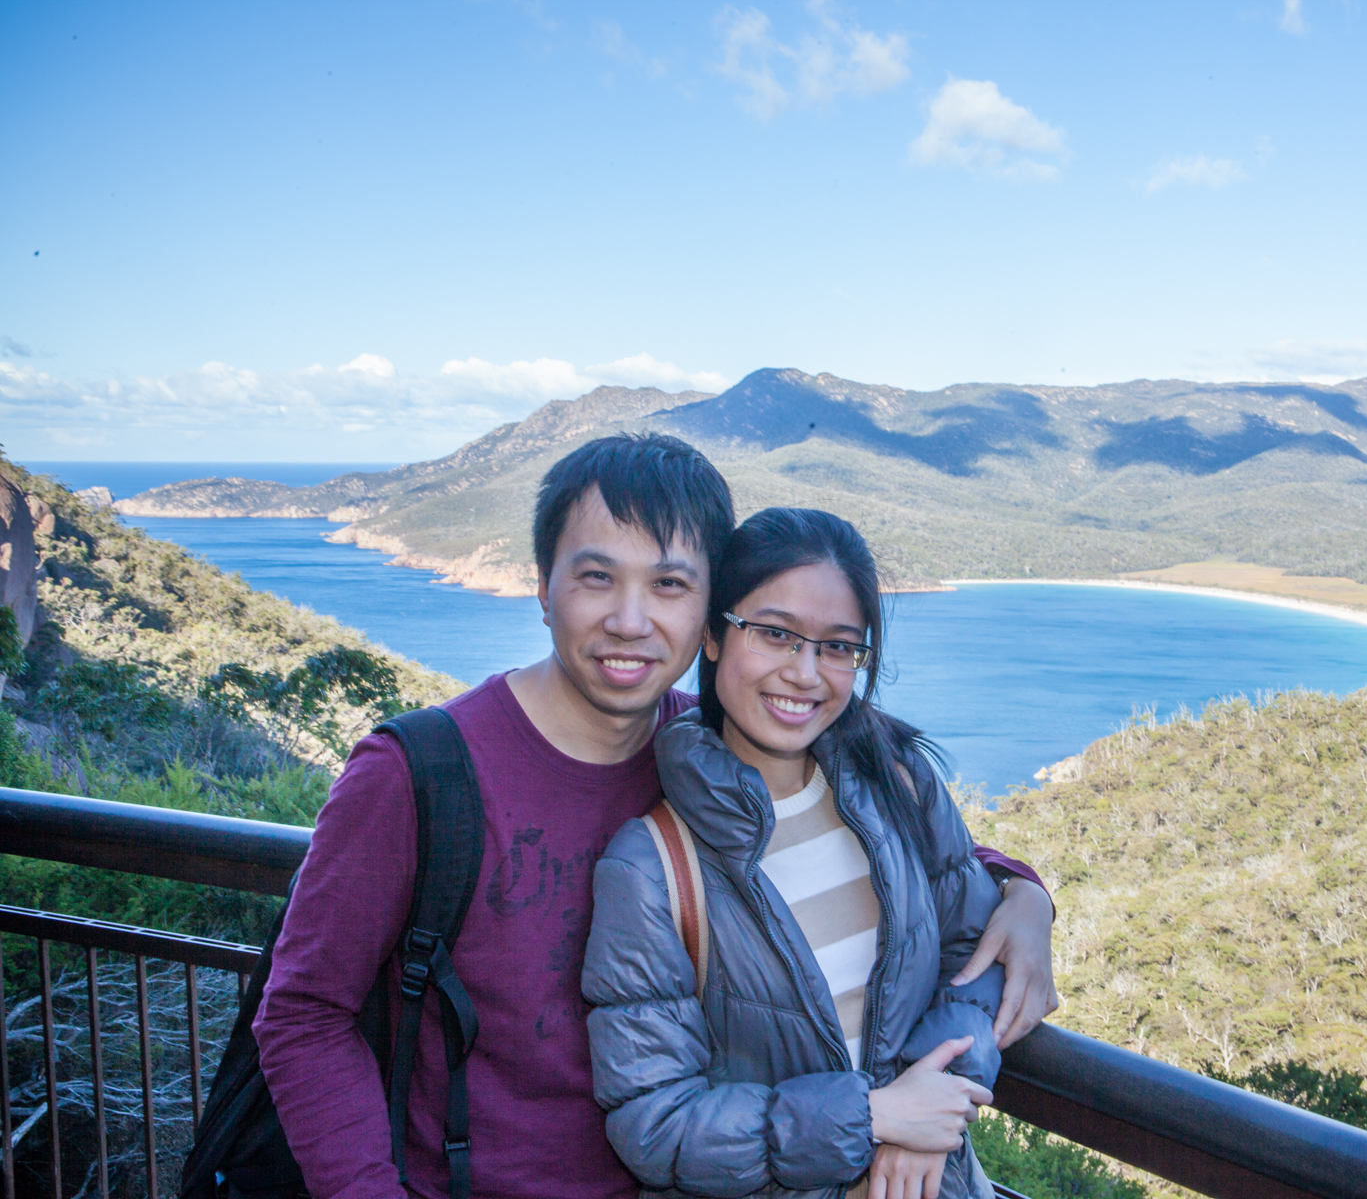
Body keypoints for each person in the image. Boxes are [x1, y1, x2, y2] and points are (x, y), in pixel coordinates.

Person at [254, 434, 1057, 1199]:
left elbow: (886, 844)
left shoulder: (704, 752)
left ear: (708, 615)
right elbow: (303, 1014)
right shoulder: (417, 774)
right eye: (597, 577)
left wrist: (1023, 894)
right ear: (542, 586)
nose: (631, 621)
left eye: (669, 585)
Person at [583, 506, 1008, 1199]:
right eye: (775, 634)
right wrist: (872, 1118)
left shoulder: (897, 781)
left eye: (837, 646)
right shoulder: (653, 867)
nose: (805, 673)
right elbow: (654, 1123)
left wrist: (939, 1095)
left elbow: (976, 954)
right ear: (716, 636)